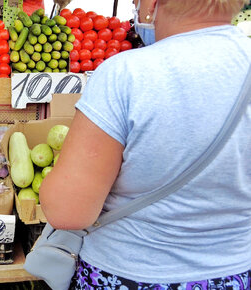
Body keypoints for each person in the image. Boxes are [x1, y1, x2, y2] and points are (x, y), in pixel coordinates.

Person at [39, 0, 251, 288]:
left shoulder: (124, 74)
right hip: (236, 272)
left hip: (130, 272)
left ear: (151, 4)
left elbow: (68, 212)